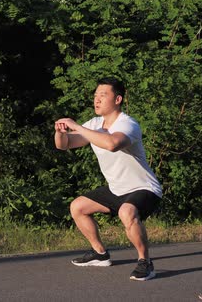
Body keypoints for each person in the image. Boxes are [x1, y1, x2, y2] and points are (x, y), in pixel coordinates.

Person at [54, 77, 162, 281]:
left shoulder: (128, 124)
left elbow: (112, 144)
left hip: (144, 187)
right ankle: (100, 254)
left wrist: (77, 126)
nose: (97, 100)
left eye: (102, 95)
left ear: (118, 99)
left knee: (127, 211)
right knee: (78, 206)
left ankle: (145, 263)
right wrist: (60, 133)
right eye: (95, 96)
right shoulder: (94, 124)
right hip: (117, 189)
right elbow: (65, 144)